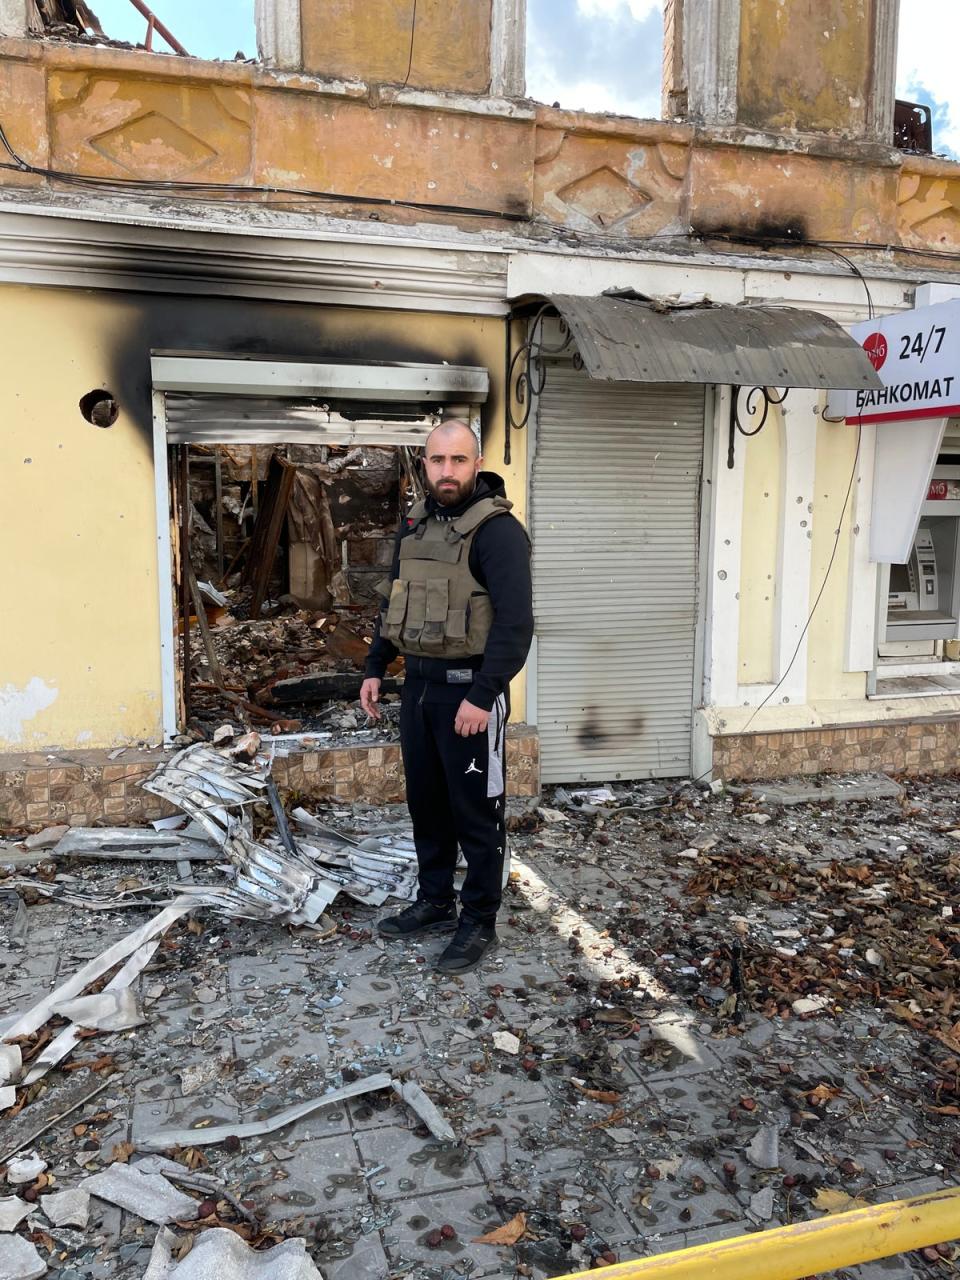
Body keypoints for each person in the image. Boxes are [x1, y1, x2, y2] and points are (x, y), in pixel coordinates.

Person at [359, 420, 534, 974]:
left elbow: (515, 625)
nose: (448, 471)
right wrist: (374, 667)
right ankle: (436, 901)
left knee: (477, 813)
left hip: (469, 696)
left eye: (459, 460)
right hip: (419, 691)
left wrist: (484, 696)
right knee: (427, 806)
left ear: (476, 463)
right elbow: (394, 605)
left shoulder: (499, 532)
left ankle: (479, 920)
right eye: (438, 461)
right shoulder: (414, 524)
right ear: (425, 464)